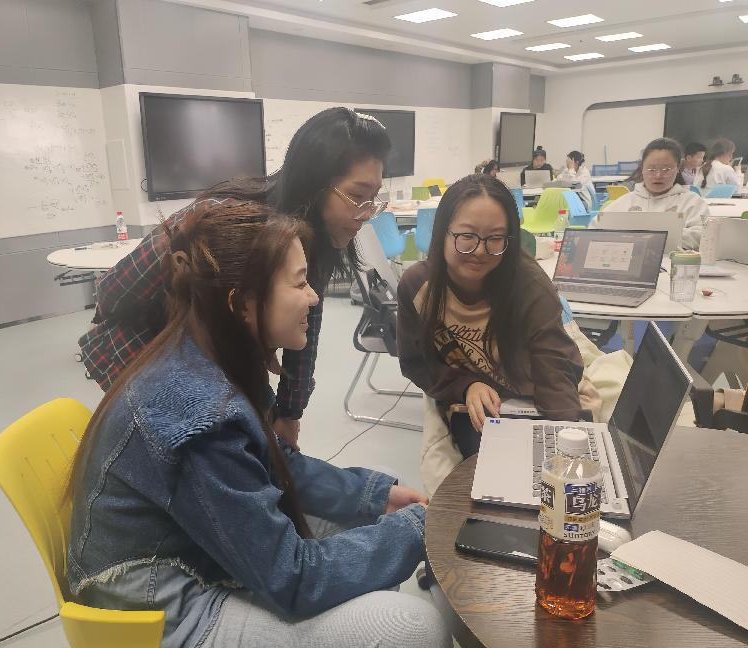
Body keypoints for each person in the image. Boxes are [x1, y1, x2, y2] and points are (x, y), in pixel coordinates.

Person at [67, 200, 451, 648]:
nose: (314, 297)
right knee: (412, 627)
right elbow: (294, 579)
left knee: (373, 516)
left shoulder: (210, 351)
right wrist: (419, 529)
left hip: (188, 547)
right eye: (300, 283)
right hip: (159, 605)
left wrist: (373, 495)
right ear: (242, 304)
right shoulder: (199, 417)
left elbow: (275, 461)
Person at [78, 107, 392, 449]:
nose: (366, 213)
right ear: (313, 183)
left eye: (374, 198)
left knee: (252, 446)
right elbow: (114, 291)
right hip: (144, 350)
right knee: (203, 450)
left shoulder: (319, 234)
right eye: (357, 196)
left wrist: (290, 412)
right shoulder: (224, 222)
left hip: (224, 357)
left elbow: (305, 329)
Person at [396, 174, 587, 459]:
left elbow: (554, 370)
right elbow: (418, 364)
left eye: (495, 238)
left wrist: (566, 444)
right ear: (442, 233)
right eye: (466, 236)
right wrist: (465, 386)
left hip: (530, 400)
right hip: (476, 406)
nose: (480, 251)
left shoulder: (529, 285)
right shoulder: (418, 287)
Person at [595, 138, 710, 249]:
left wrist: (654, 238)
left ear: (678, 168)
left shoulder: (691, 202)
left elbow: (704, 235)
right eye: (651, 170)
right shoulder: (624, 203)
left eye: (666, 170)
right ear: (642, 168)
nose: (658, 175)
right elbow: (594, 230)